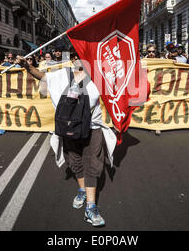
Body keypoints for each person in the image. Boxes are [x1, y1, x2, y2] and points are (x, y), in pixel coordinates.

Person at [17, 55, 116, 227]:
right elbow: (41, 76)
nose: (80, 59)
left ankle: (90, 208)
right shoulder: (61, 74)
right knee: (74, 161)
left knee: (93, 164)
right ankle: (81, 190)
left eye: (84, 55)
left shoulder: (99, 76)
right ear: (72, 59)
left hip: (93, 128)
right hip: (68, 128)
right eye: (75, 55)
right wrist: (26, 66)